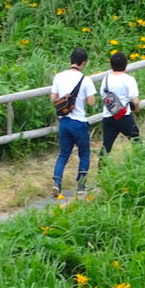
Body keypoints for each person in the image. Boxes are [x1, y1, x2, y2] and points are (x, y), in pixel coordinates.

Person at [50, 47, 96, 197]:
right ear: (83, 63)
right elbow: (91, 102)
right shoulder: (86, 80)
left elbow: (53, 98)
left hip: (63, 121)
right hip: (79, 122)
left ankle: (57, 183)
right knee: (84, 153)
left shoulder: (59, 76)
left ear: (70, 60)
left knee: (63, 154)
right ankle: (81, 185)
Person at [99, 51, 140, 156]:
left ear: (111, 65)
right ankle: (143, 163)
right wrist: (136, 109)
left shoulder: (106, 78)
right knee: (137, 142)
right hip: (124, 116)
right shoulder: (129, 79)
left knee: (106, 147)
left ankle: (101, 169)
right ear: (126, 64)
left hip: (108, 116)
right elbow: (135, 100)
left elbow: (103, 96)